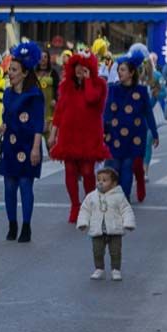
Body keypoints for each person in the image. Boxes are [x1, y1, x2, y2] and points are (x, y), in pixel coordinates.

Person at [49, 51, 110, 223]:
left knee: (88, 172)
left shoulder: (99, 85)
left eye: (84, 67)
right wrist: (53, 134)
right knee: (69, 171)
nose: (79, 70)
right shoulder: (66, 86)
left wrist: (88, 80)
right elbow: (59, 112)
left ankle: (89, 206)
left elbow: (92, 99)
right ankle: (75, 206)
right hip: (68, 136)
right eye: (77, 66)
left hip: (89, 137)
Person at [0, 42, 46, 243]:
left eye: (14, 70)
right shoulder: (8, 93)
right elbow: (6, 116)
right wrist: (2, 126)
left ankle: (26, 226)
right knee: (9, 186)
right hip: (10, 144)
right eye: (10, 69)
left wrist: (36, 149)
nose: (10, 73)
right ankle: (12, 224)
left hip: (29, 145)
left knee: (26, 185)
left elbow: (38, 124)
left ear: (25, 73)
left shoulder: (35, 94)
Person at [103, 48, 159, 204]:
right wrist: (102, 132)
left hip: (135, 137)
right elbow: (106, 113)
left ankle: (124, 198)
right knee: (113, 168)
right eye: (118, 70)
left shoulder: (141, 91)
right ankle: (111, 197)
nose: (119, 73)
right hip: (114, 136)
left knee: (127, 169)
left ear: (131, 73)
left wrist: (154, 133)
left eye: (122, 70)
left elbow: (148, 113)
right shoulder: (112, 89)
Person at [76, 166, 136, 282]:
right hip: (97, 230)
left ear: (113, 183)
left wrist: (128, 223)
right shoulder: (92, 196)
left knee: (115, 251)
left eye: (104, 180)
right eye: (99, 180)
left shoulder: (119, 197)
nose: (100, 183)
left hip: (115, 230)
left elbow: (126, 210)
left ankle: (116, 269)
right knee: (97, 251)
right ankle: (99, 269)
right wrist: (83, 222)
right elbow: (85, 210)